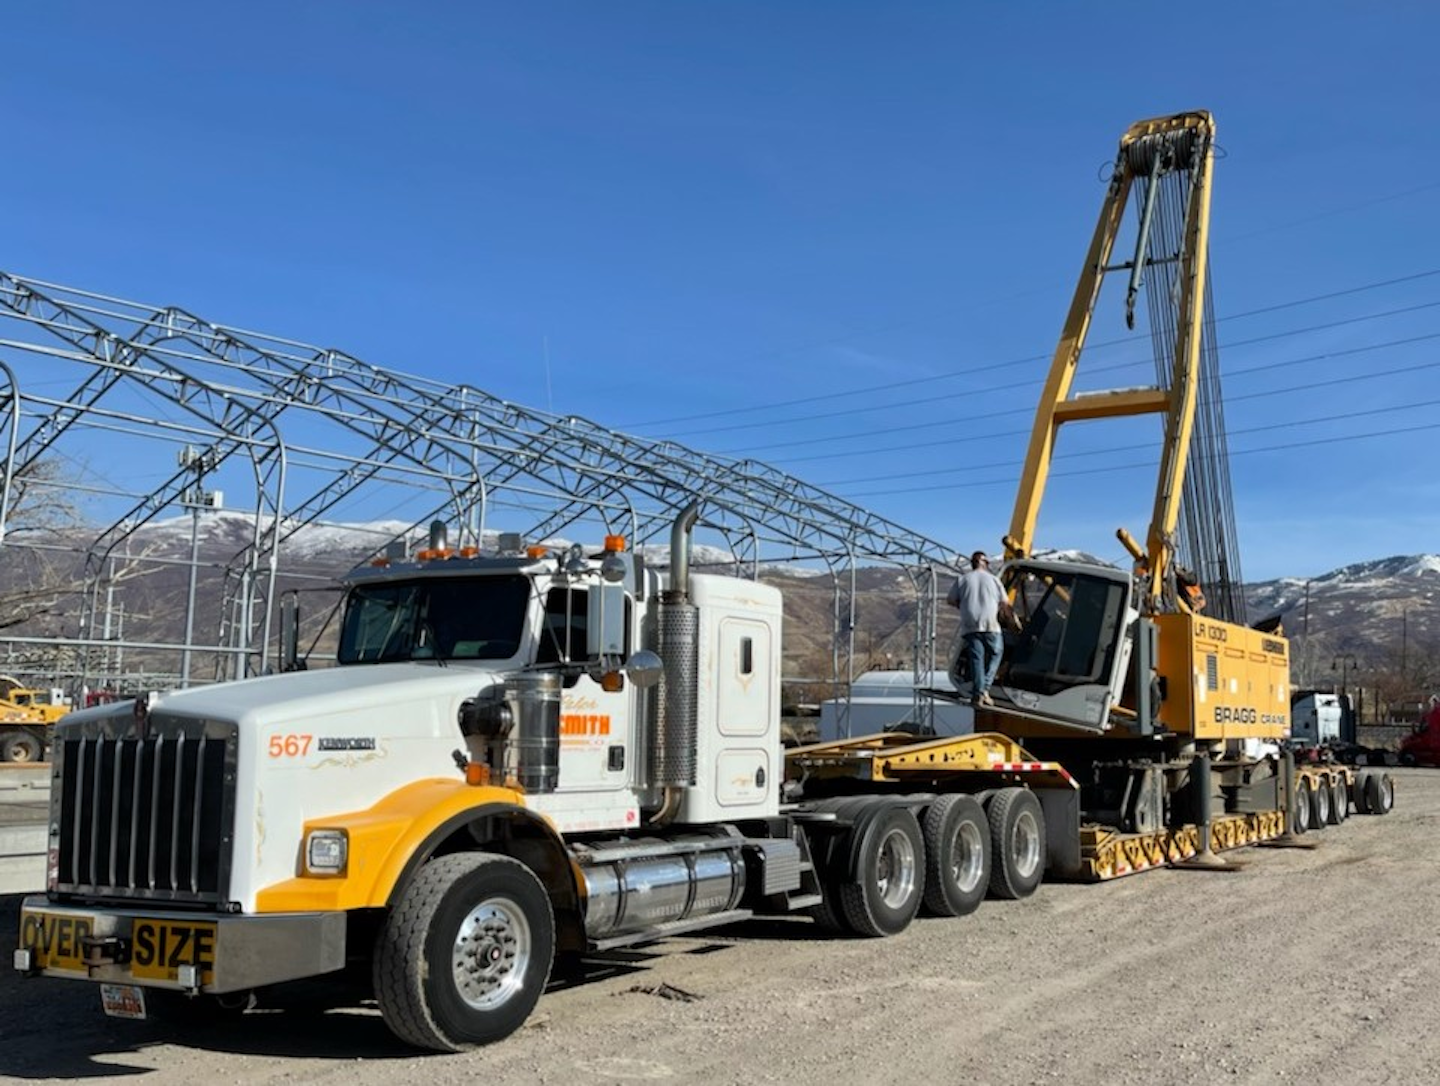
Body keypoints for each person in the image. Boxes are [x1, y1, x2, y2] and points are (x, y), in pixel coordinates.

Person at [947, 550, 1006, 707]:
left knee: (976, 659)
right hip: (990, 624)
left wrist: (962, 605)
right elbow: (1005, 602)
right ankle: (985, 687)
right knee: (996, 653)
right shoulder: (994, 580)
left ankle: (979, 693)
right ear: (985, 563)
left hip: (970, 624)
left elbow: (951, 599)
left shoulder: (962, 580)